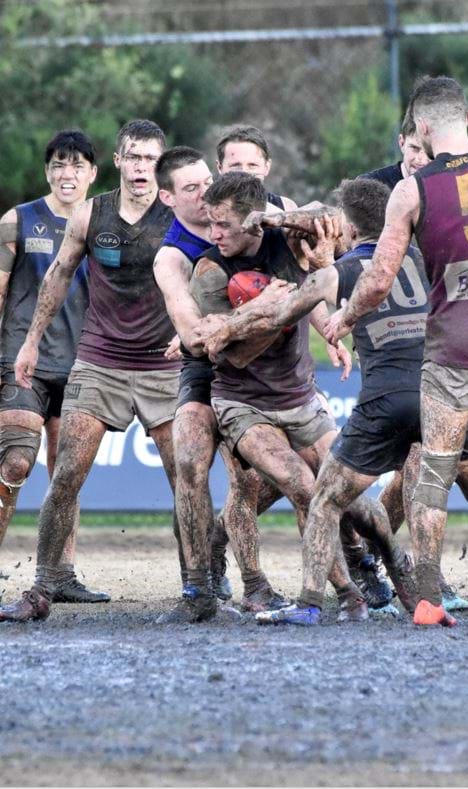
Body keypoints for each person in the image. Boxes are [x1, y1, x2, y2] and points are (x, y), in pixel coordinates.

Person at [324, 75, 468, 628]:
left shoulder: (412, 190)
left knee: (432, 475)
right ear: (467, 118)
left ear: (421, 127)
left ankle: (424, 598)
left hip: (449, 351)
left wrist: (342, 319)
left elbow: (377, 280)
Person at [0, 120, 184, 623]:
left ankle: (198, 588)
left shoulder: (178, 215)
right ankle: (41, 584)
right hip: (72, 362)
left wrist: (190, 328)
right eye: (134, 157)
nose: (142, 167)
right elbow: (48, 279)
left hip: (146, 365)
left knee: (178, 478)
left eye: (151, 159)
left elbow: (208, 267)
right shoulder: (62, 217)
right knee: (40, 470)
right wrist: (28, 343)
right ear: (120, 162)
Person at [187, 171, 372, 622]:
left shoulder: (287, 240)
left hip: (300, 395)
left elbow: (333, 217)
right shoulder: (210, 271)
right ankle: (344, 592)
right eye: (209, 224)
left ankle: (378, 565)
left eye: (223, 225)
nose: (213, 235)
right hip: (241, 400)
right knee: (299, 488)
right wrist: (270, 310)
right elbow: (234, 356)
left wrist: (278, 221)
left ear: (253, 221)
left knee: (348, 489)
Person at [151, 146, 293, 622]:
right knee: (189, 460)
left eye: (206, 181)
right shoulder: (172, 256)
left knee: (253, 481)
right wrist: (258, 311)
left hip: (263, 372)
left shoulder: (263, 215)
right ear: (170, 198)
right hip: (205, 367)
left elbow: (326, 225)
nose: (204, 191)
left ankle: (251, 579)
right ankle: (197, 590)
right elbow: (197, 339)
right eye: (190, 187)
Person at [0, 130, 109, 603]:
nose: (67, 174)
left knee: (67, 473)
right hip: (21, 362)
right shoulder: (17, 221)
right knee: (15, 462)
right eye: (58, 165)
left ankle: (61, 575)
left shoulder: (106, 225)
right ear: (48, 171)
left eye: (77, 165)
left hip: (83, 366)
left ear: (92, 173)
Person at [214, 125, 298, 210]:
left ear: (266, 167)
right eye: (235, 165)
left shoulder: (286, 208)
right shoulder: (207, 212)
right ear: (220, 168)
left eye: (252, 165)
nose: (244, 172)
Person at [357, 111, 432, 190]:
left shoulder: (444, 188)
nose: (423, 160)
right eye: (414, 148)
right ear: (402, 143)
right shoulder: (369, 186)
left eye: (430, 151)